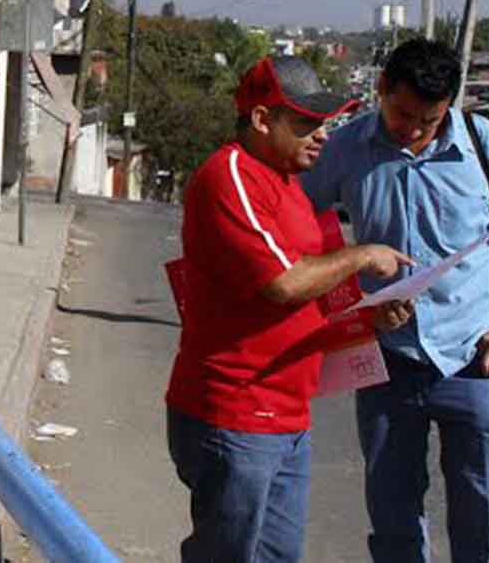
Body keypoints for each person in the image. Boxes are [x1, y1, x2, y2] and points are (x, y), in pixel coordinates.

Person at [303, 38, 489, 563]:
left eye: (430, 119)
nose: (415, 130)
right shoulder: (346, 149)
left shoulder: (484, 146)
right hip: (385, 366)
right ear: (381, 89)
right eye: (402, 115)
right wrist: (353, 298)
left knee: (487, 531)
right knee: (394, 523)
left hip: (476, 364)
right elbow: (301, 232)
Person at [166, 55, 416, 562]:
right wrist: (362, 254)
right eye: (306, 123)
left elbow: (312, 300)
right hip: (235, 414)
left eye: (324, 124)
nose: (321, 136)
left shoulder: (290, 186)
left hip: (286, 416)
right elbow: (283, 284)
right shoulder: (232, 176)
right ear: (261, 119)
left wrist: (371, 317)